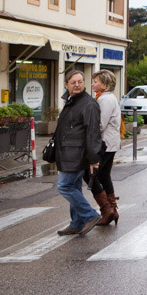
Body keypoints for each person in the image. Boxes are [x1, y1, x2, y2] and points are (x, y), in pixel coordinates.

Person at [53, 68, 103, 236]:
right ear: (66, 85)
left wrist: (93, 159)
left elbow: (93, 133)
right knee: (73, 186)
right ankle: (77, 223)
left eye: (80, 82)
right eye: (73, 82)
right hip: (68, 153)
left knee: (65, 186)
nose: (77, 85)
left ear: (84, 83)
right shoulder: (72, 101)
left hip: (77, 154)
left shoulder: (88, 104)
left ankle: (90, 215)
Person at [91, 69, 121, 226]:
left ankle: (107, 210)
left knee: (93, 176)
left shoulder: (106, 100)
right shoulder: (104, 98)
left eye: (95, 81)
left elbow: (100, 124)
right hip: (109, 143)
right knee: (103, 176)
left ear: (104, 84)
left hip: (106, 144)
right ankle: (112, 210)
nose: (92, 84)